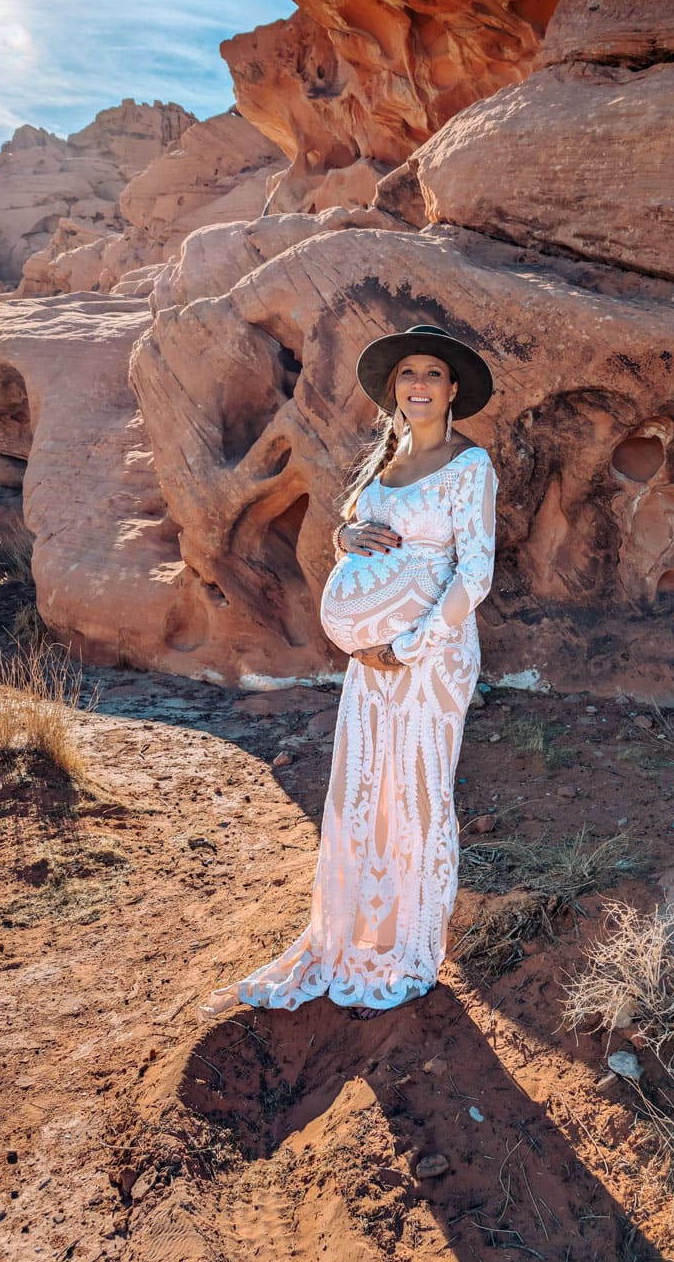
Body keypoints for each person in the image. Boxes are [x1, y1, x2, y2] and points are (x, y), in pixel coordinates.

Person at [201, 324, 497, 1018]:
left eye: (432, 374)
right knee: (369, 781)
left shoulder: (469, 466)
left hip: (432, 654)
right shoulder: (384, 464)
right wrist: (344, 536)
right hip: (370, 661)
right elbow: (359, 536)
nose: (418, 385)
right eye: (407, 376)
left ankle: (411, 946)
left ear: (452, 390)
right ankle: (362, 928)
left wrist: (410, 644)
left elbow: (474, 573)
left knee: (418, 788)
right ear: (395, 391)